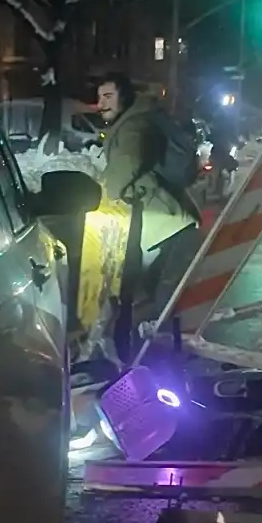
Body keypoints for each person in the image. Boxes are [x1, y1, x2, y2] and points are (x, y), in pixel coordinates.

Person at [96, 72, 201, 351]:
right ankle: (158, 358)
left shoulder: (133, 126)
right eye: (99, 97)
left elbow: (127, 163)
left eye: (108, 96)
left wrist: (100, 198)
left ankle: (162, 366)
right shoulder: (136, 120)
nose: (101, 104)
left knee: (161, 307)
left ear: (125, 97)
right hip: (166, 229)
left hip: (169, 230)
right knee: (155, 302)